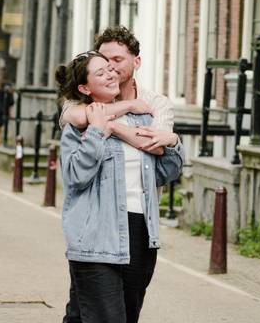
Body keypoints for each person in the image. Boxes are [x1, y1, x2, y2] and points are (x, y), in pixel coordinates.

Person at [57, 51, 183, 323]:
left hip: (140, 233)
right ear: (84, 88)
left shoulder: (143, 117)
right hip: (96, 236)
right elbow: (75, 176)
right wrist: (96, 131)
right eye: (100, 73)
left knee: (120, 316)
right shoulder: (77, 127)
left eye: (111, 69)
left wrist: (172, 142)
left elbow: (165, 172)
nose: (110, 74)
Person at [61, 27, 175, 149]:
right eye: (104, 59)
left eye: (117, 59)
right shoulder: (84, 97)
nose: (109, 65)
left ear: (136, 62)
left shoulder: (157, 103)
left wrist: (112, 127)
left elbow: (158, 146)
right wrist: (129, 105)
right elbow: (78, 118)